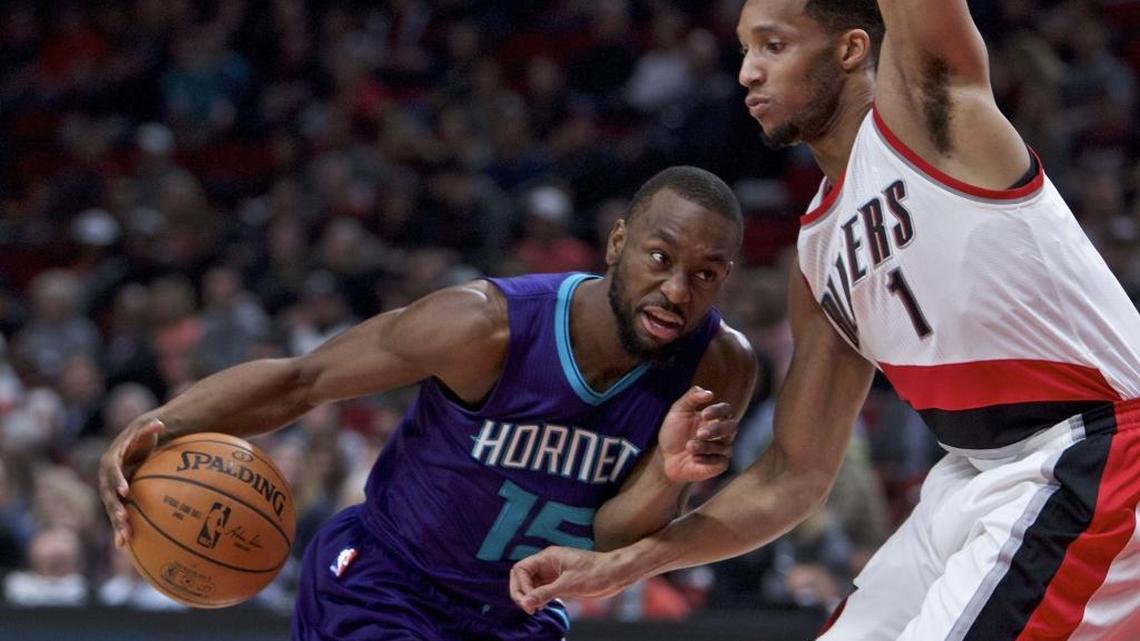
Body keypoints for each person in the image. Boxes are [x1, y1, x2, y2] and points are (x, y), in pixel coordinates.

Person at [509, 2, 1140, 640]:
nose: (747, 73)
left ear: (851, 50)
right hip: (970, 476)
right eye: (745, 50)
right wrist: (624, 564)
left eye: (773, 46)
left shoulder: (931, 114)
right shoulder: (816, 254)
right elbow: (793, 475)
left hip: (1096, 449)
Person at [98, 165, 758, 641]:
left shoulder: (717, 365)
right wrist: (158, 424)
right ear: (618, 244)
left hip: (516, 617)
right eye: (660, 257)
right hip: (386, 583)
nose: (677, 290)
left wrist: (670, 475)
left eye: (705, 274)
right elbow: (303, 380)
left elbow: (612, 538)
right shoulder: (486, 325)